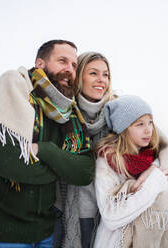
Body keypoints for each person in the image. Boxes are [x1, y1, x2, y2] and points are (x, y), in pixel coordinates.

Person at [0, 39, 95, 247]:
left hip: (44, 231)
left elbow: (84, 172)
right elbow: (11, 164)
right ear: (40, 63)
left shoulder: (68, 111)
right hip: (2, 232)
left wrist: (46, 151)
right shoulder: (13, 87)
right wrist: (62, 167)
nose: (69, 69)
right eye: (62, 61)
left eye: (74, 65)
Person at [93, 95, 168, 247]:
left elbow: (166, 155)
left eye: (150, 123)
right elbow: (110, 217)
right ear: (124, 129)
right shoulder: (107, 161)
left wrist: (152, 169)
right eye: (140, 124)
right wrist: (152, 184)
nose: (148, 130)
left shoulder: (152, 155)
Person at [55, 52, 115, 248]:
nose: (101, 80)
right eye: (93, 73)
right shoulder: (60, 113)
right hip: (60, 213)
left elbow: (157, 142)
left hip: (104, 218)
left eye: (105, 75)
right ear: (79, 75)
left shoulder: (117, 113)